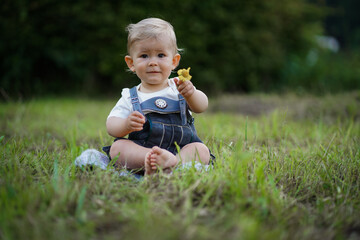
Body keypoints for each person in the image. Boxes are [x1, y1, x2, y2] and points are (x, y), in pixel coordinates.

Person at [104, 18, 211, 176]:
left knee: (201, 150)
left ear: (174, 61)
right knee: (117, 148)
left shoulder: (179, 86)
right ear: (131, 63)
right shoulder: (130, 95)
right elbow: (111, 125)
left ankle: (173, 162)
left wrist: (192, 94)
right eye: (144, 56)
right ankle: (151, 161)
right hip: (144, 149)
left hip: (180, 149)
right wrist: (126, 125)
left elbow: (201, 107)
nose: (153, 62)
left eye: (161, 55)